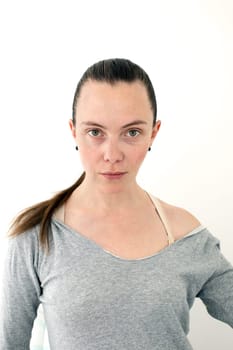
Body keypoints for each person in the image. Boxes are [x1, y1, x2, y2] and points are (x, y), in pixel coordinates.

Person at [0, 58, 232, 350]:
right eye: (95, 132)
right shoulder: (36, 236)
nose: (111, 154)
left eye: (132, 132)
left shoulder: (186, 236)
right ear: (74, 131)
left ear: (153, 133)